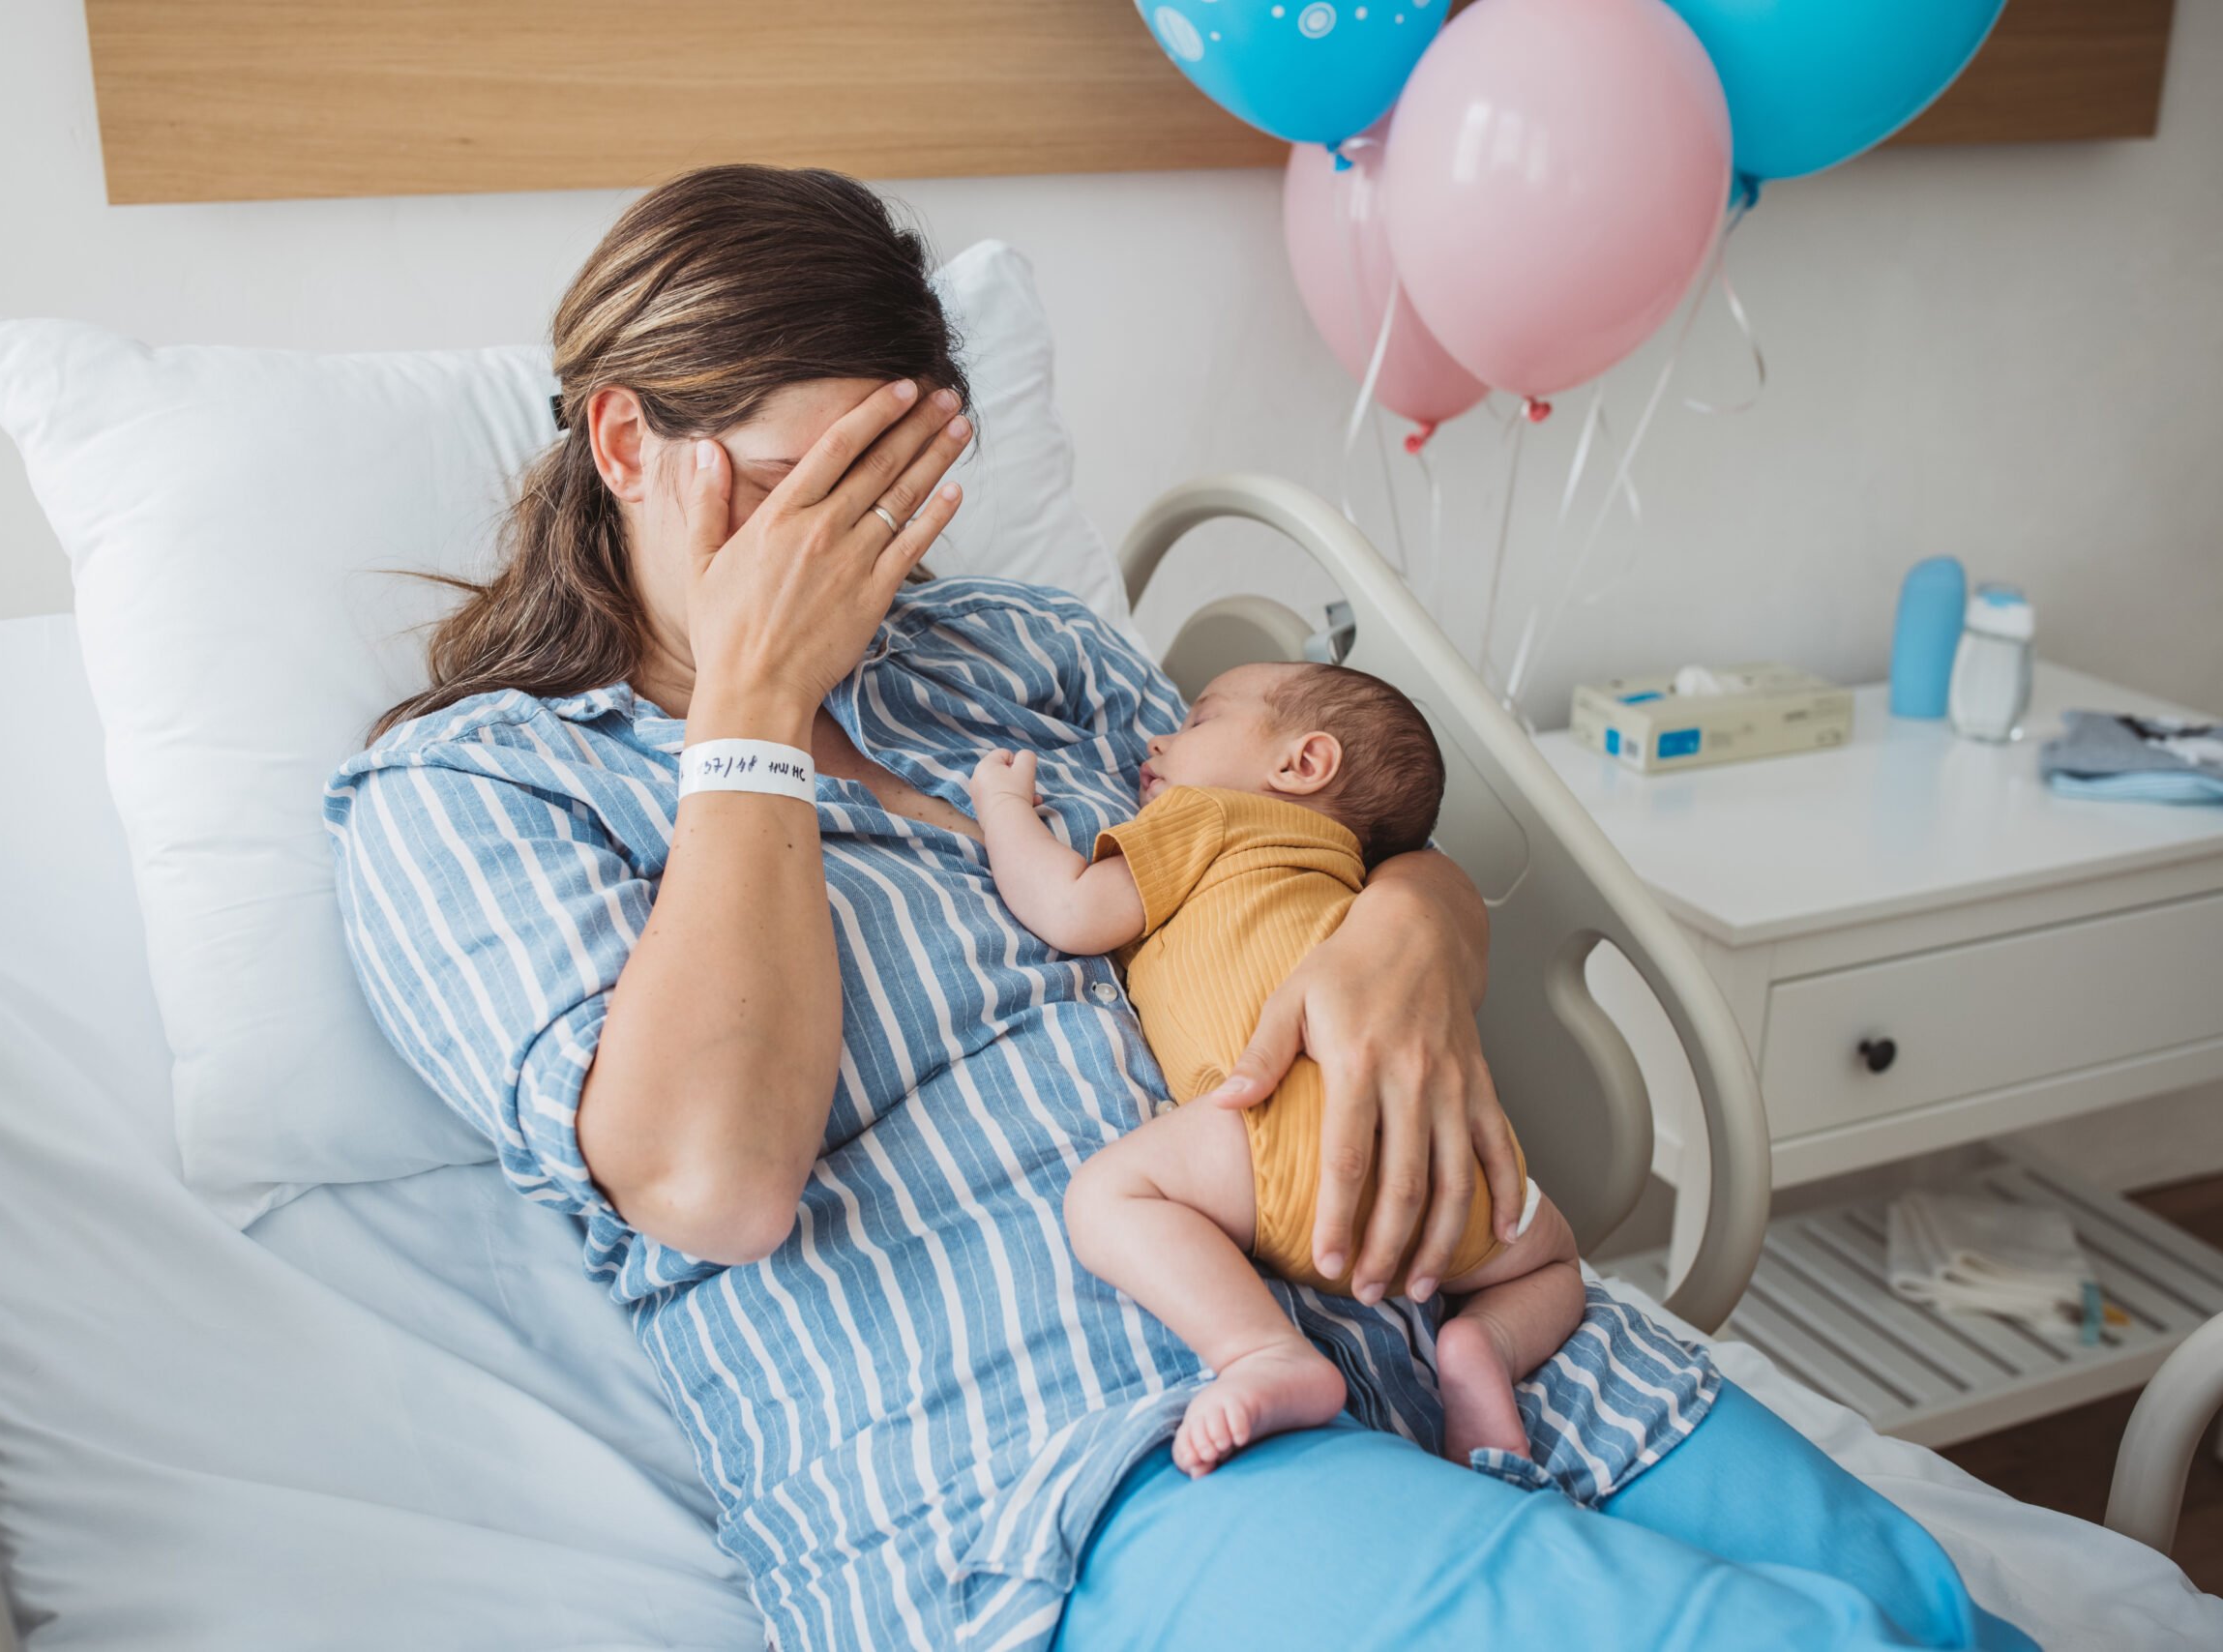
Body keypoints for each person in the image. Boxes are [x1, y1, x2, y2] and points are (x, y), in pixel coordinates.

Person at [325, 163, 2028, 1652]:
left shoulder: (1019, 653)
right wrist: (751, 707)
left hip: (1419, 1314)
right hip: (1073, 1459)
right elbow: (715, 1181)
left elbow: (1302, 827)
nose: (867, 567)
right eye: (804, 499)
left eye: (899, 498)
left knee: (1929, 1613)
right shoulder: (474, 795)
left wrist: (1423, 930)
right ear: (629, 442)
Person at [969, 661, 1585, 1476]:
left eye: (1197, 721)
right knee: (1555, 1260)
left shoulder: (1211, 816)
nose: (1159, 739)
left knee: (1105, 1195)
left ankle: (1263, 1350)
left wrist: (1004, 810)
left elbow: (1073, 906)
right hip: (1442, 1178)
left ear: (1300, 766)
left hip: (1272, 1155)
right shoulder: (1353, 879)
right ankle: (1482, 1346)